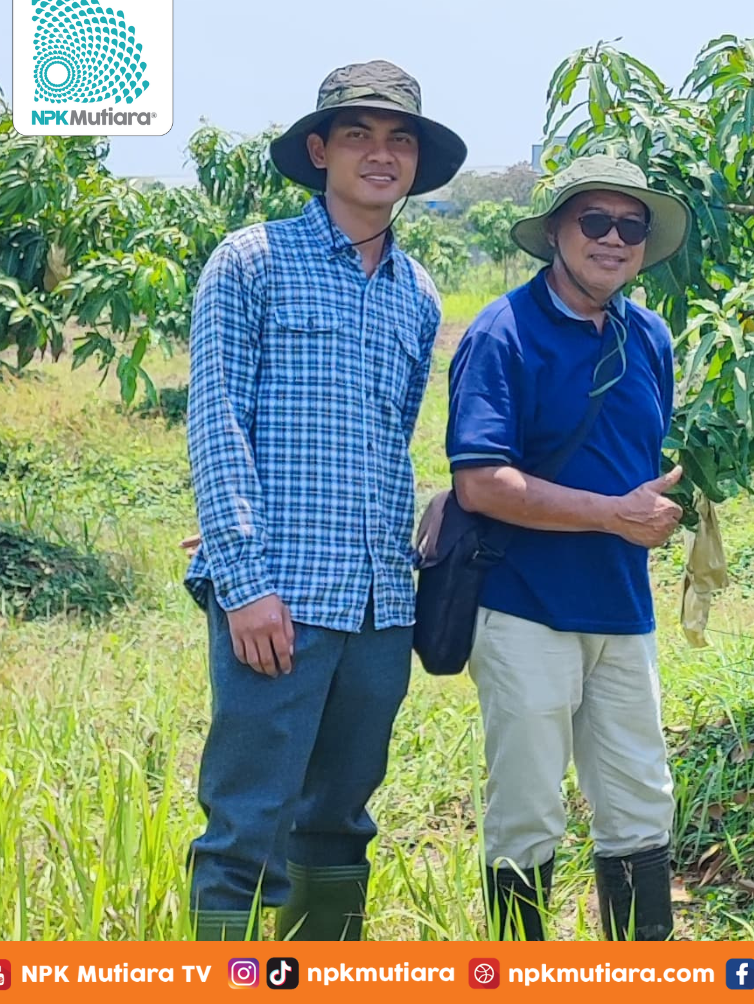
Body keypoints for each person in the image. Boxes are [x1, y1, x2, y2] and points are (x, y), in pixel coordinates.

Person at [183, 60, 465, 941]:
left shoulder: (419, 295)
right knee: (246, 826)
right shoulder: (254, 260)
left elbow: (390, 442)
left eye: (399, 139)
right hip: (281, 594)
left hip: (380, 602)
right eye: (358, 135)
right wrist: (242, 581)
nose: (381, 154)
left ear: (416, 162)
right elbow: (217, 419)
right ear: (320, 150)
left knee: (342, 817)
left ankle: (322, 969)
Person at [444, 154, 688, 941]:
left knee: (641, 802)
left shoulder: (649, 336)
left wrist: (652, 509)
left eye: (630, 226)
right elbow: (481, 482)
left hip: (621, 607)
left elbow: (640, 463)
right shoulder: (502, 333)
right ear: (555, 231)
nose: (612, 240)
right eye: (595, 221)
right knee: (527, 810)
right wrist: (612, 515)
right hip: (525, 607)